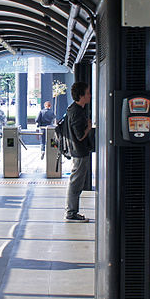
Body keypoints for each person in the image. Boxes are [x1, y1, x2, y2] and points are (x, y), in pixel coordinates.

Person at [64, 81, 94, 222]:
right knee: (75, 183)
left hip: (78, 151)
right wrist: (88, 127)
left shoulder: (73, 109)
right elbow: (79, 135)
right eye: (87, 93)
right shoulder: (77, 112)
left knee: (76, 182)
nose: (90, 95)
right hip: (79, 152)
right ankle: (71, 213)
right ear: (81, 95)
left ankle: (72, 212)